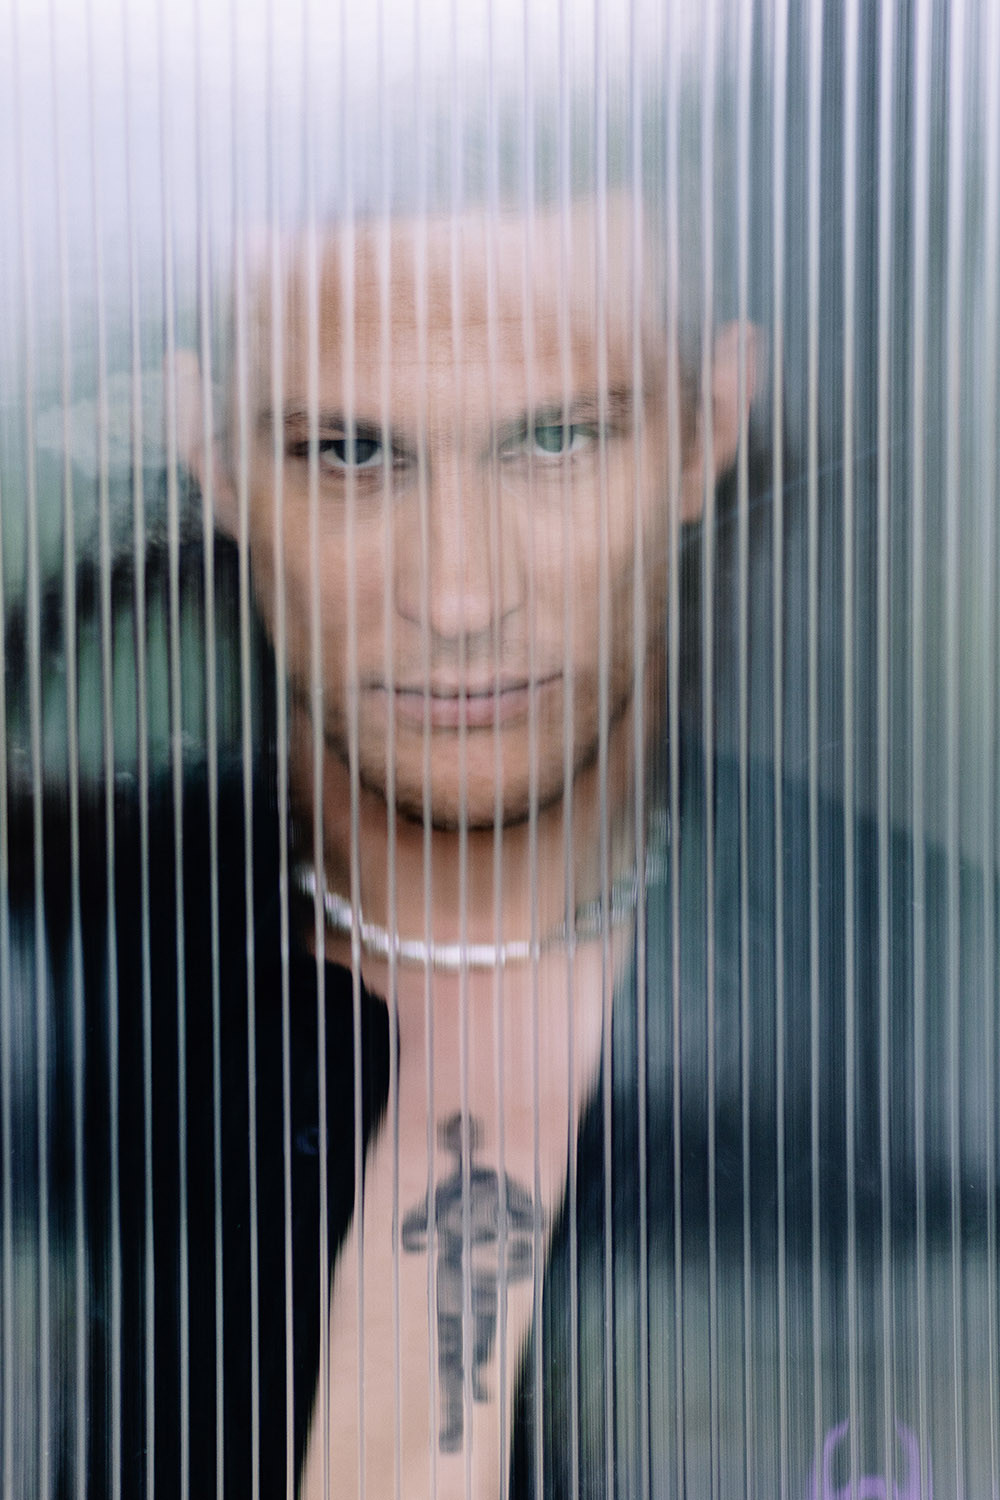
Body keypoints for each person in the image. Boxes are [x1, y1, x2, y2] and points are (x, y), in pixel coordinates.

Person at [176, 196, 753, 1500]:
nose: (456, 598)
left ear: (708, 428)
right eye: (349, 452)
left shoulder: (932, 1006)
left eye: (554, 439)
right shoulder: (68, 989)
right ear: (206, 451)